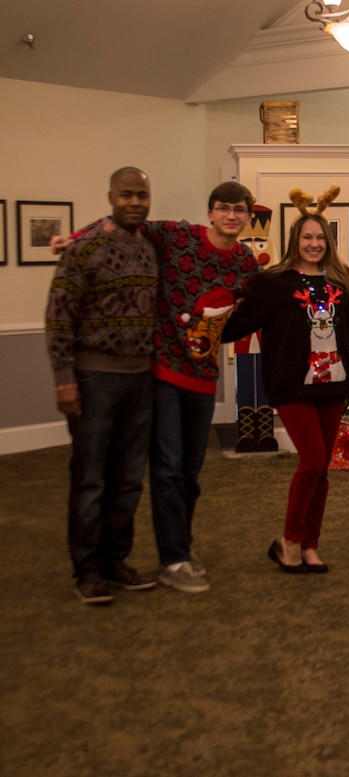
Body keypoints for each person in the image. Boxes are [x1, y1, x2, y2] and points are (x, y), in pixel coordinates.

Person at [62, 182, 261, 593]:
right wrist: (74, 237)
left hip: (204, 379)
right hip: (164, 373)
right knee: (167, 469)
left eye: (238, 210)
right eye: (223, 208)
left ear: (247, 217)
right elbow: (119, 226)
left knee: (190, 473)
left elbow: (255, 308)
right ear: (210, 212)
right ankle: (173, 560)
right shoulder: (177, 236)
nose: (230, 216)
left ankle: (180, 549)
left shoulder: (245, 262)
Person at [223, 187, 349, 574]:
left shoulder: (340, 283)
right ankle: (290, 541)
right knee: (312, 460)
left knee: (322, 469)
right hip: (291, 385)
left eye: (320, 237)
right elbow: (239, 324)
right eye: (307, 237)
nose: (314, 244)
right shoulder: (276, 282)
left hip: (333, 385)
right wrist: (206, 313)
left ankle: (311, 544)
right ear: (295, 242)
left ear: (328, 242)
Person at [45, 167, 159, 605]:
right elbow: (58, 314)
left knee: (129, 479)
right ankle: (87, 570)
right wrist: (64, 380)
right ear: (111, 196)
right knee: (91, 478)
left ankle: (115, 561)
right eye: (126, 194)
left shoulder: (150, 247)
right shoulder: (85, 247)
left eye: (142, 195)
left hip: (140, 379)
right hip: (93, 379)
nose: (134, 202)